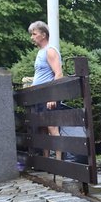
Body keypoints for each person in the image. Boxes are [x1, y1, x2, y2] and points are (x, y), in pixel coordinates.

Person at [28, 21, 63, 158]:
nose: (32, 37)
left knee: (52, 128)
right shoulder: (40, 53)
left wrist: (53, 97)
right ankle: (46, 162)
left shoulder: (50, 51)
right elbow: (42, 75)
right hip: (39, 97)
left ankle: (59, 162)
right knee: (42, 129)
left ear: (43, 35)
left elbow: (59, 74)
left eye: (34, 34)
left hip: (48, 97)